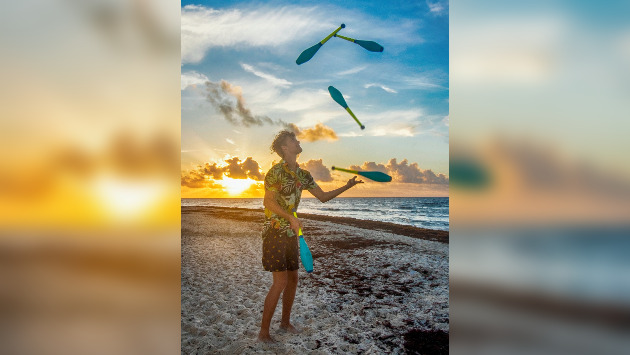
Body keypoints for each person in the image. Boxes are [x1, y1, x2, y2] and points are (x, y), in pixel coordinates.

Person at [257, 130, 363, 343]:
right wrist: (290, 217)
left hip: (290, 234)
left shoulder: (303, 175)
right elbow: (268, 202)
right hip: (275, 231)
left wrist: (347, 186)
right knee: (280, 282)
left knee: (293, 279)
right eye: (294, 140)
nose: (298, 142)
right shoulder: (275, 172)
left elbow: (323, 197)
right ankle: (263, 334)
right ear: (285, 148)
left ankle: (285, 323)